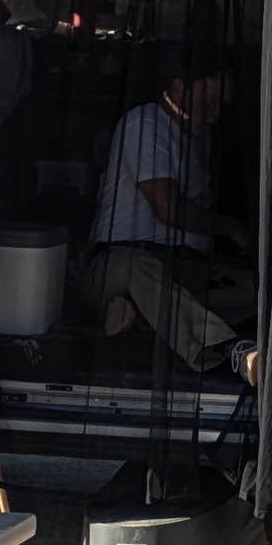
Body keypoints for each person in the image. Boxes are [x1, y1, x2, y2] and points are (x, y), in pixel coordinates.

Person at [90, 61, 257, 381]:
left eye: (220, 106)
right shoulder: (145, 123)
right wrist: (232, 229)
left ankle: (141, 319)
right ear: (177, 87)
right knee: (136, 269)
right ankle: (227, 347)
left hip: (183, 272)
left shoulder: (201, 138)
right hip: (120, 262)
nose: (214, 115)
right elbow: (167, 208)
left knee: (257, 290)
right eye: (208, 102)